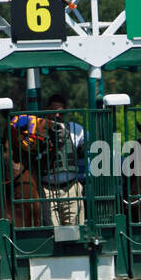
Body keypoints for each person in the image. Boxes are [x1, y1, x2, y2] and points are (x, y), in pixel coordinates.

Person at [41, 94, 85, 226]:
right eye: (54, 111)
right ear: (46, 109)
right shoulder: (38, 131)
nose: (58, 115)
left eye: (61, 112)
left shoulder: (75, 129)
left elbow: (89, 147)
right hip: (47, 190)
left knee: (74, 230)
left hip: (71, 187)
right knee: (53, 230)